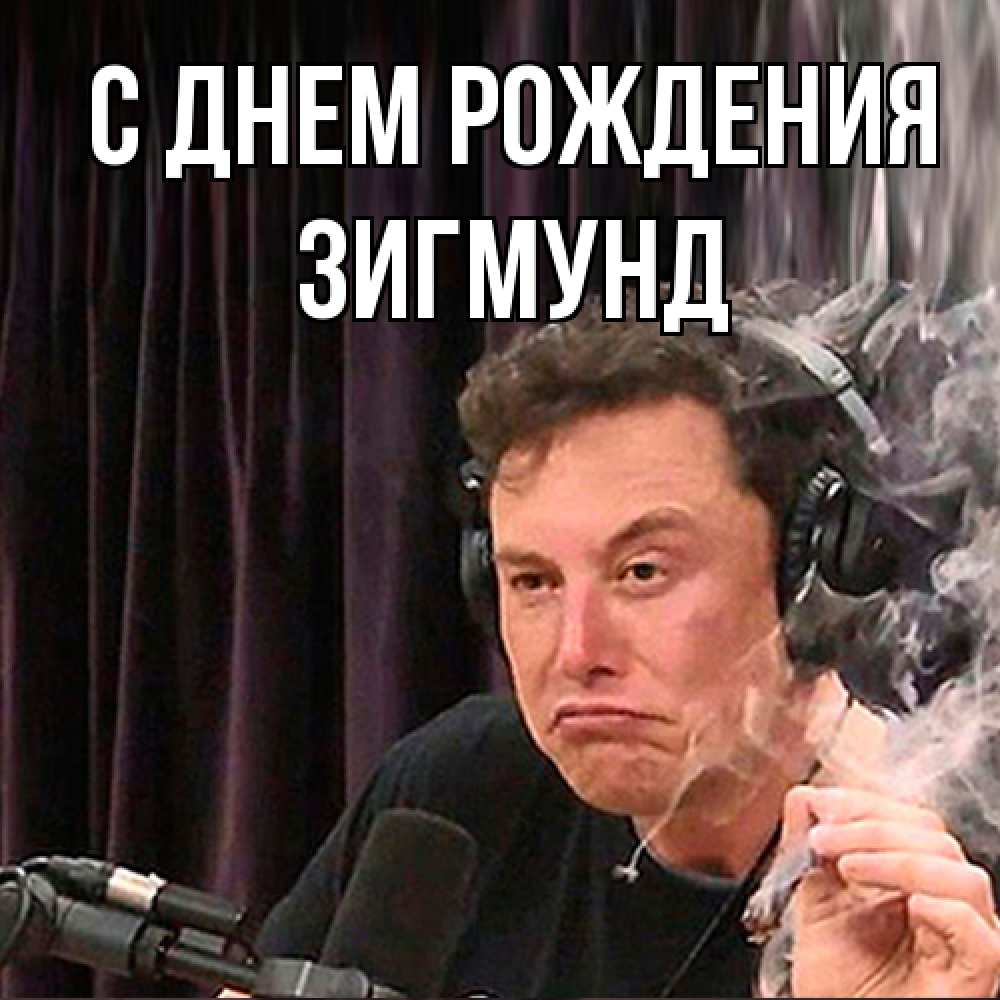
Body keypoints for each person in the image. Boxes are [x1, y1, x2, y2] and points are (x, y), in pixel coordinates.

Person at [233, 290, 1000, 998]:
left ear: (810, 579)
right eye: (534, 581)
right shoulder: (458, 789)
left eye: (642, 572)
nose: (576, 652)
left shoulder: (953, 891)